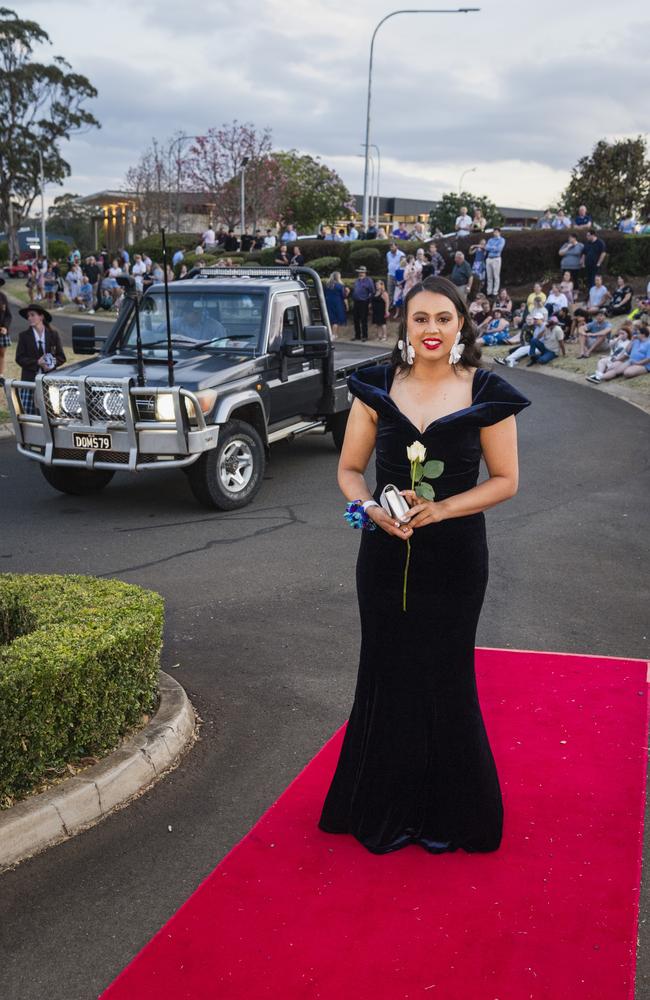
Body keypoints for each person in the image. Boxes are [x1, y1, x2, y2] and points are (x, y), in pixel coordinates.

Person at [318, 274, 531, 855]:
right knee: (386, 672)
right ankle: (383, 808)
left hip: (457, 559)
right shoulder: (375, 389)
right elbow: (348, 471)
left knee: (445, 676)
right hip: (384, 553)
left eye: (443, 318)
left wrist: (442, 510)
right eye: (420, 319)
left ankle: (450, 814)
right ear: (403, 326)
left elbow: (507, 481)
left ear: (461, 323)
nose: (431, 329)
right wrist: (367, 510)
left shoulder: (487, 392)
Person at [15, 304, 66, 414]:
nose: (29, 318)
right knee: (29, 413)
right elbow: (19, 358)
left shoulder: (53, 335)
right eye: (28, 316)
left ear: (41, 317)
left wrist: (51, 364)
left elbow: (61, 357)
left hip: (48, 380)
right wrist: (37, 362)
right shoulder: (24, 336)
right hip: (29, 380)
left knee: (51, 411)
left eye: (32, 315)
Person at [351, 265, 375, 341]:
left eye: (362, 272)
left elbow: (372, 291)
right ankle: (357, 335)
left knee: (363, 319)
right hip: (356, 301)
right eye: (360, 272)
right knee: (355, 319)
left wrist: (370, 302)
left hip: (364, 301)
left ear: (365, 273)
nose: (361, 273)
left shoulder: (368, 280)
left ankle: (365, 336)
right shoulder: (357, 280)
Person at [324, 271, 347, 340]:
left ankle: (331, 334)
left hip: (328, 302)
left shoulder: (327, 285)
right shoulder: (340, 286)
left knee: (331, 318)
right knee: (336, 320)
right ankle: (334, 334)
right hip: (337, 303)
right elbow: (343, 296)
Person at [485, 228, 505, 296]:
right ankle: (489, 292)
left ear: (499, 233)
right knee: (489, 276)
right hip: (489, 258)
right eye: (494, 232)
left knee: (496, 276)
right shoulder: (490, 240)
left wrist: (492, 248)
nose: (495, 233)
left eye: (496, 232)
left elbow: (499, 249)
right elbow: (486, 247)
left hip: (496, 258)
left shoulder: (501, 240)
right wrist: (493, 247)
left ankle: (495, 292)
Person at [0, 277, 12, 385]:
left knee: (2, 354)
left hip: (2, 332)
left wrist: (5, 327)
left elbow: (8, 315)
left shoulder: (3, 297)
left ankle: (1, 376)